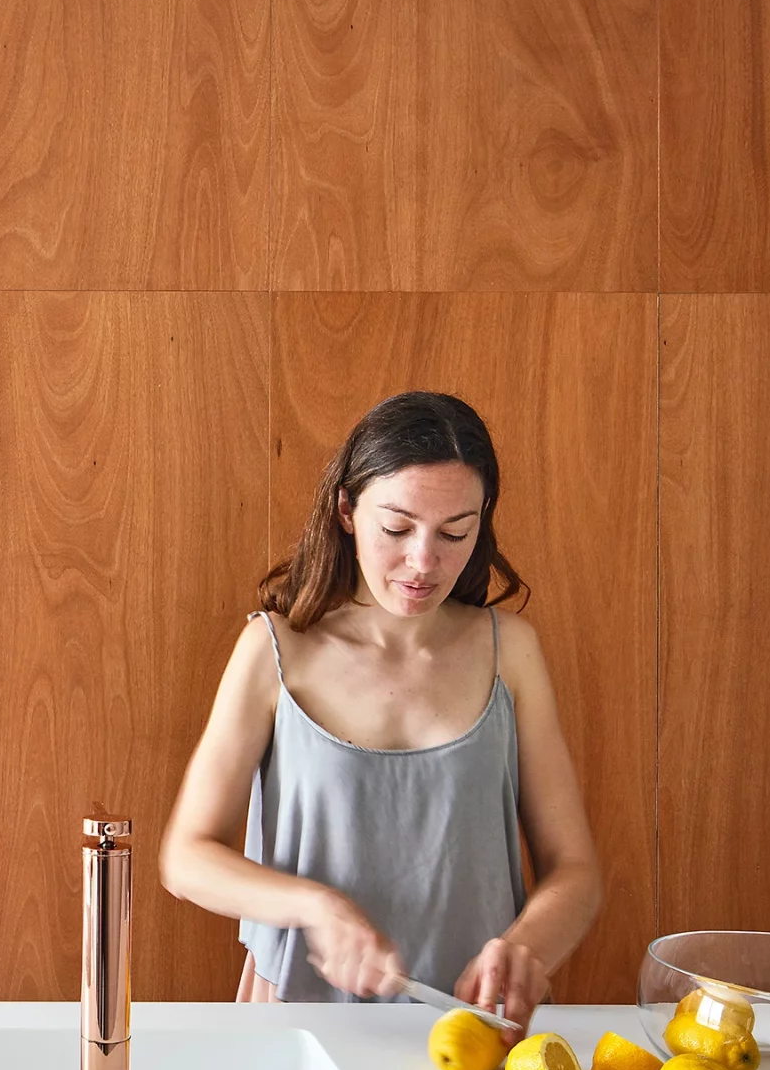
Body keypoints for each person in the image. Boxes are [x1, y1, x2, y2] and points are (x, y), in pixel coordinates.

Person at [160, 391, 600, 1030]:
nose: (425, 563)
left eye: (456, 532)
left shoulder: (512, 652)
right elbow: (185, 858)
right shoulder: (275, 649)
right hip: (296, 1024)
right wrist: (314, 906)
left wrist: (530, 946)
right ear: (346, 509)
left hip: (476, 1030)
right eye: (397, 528)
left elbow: (575, 870)